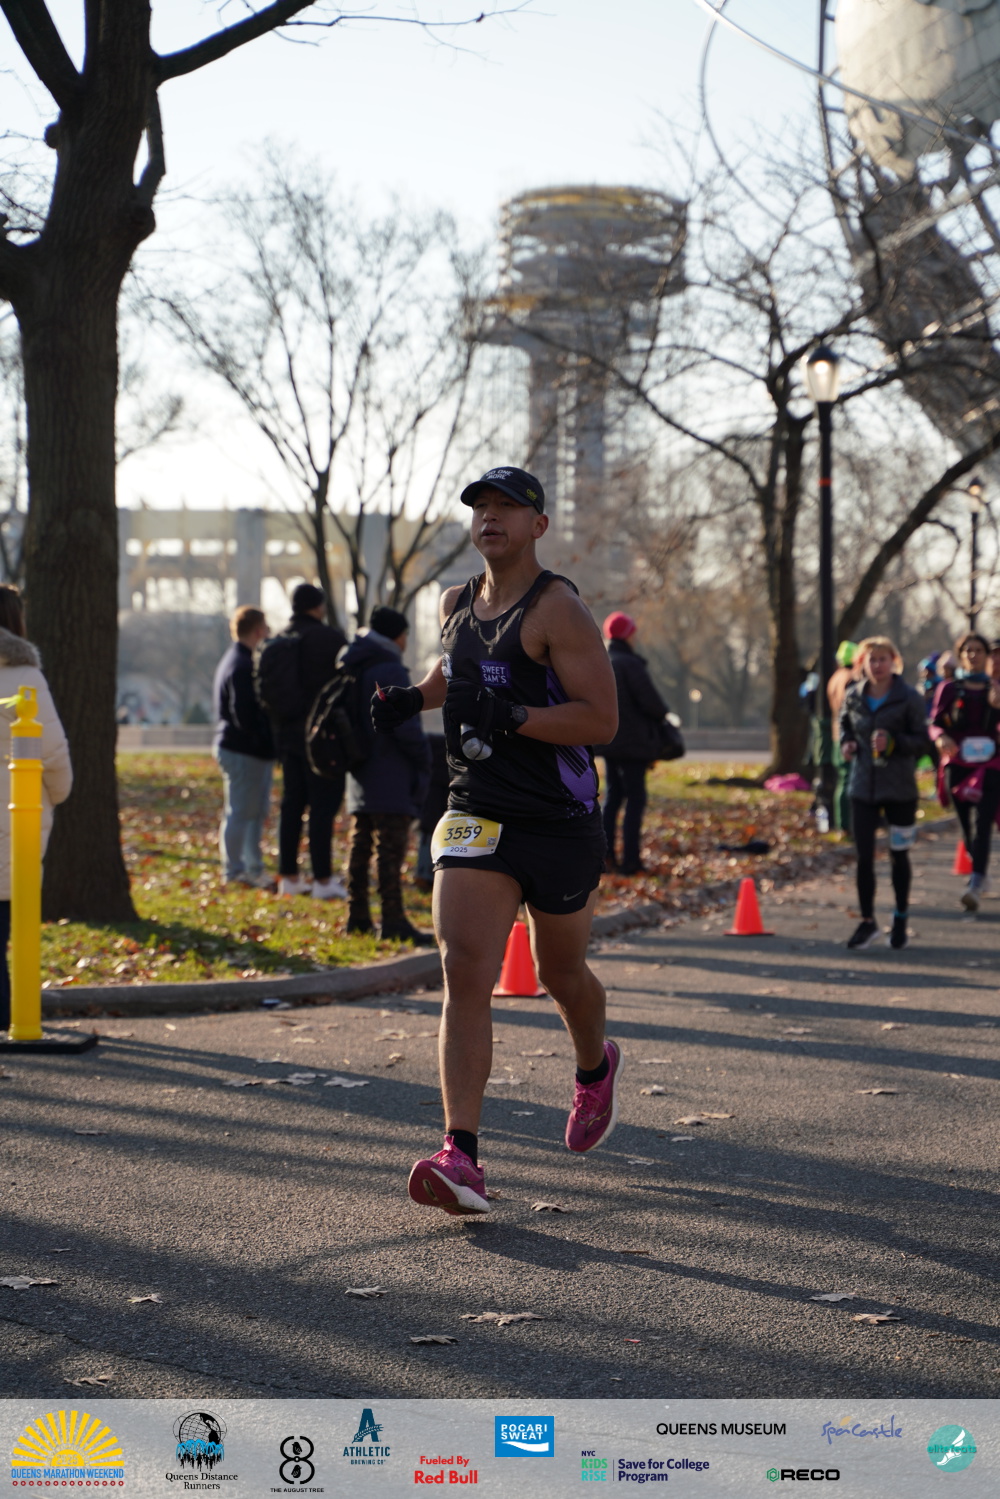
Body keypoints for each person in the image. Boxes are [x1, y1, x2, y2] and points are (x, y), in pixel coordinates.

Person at [371, 464, 620, 1216]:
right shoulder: (454, 602)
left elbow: (601, 720)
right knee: (465, 967)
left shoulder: (559, 609)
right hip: (476, 808)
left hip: (558, 821)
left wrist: (514, 718)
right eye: (481, 505)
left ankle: (593, 1065)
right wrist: (414, 698)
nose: (491, 516)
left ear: (537, 525)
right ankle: (461, 1155)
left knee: (560, 972)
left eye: (507, 506)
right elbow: (457, 670)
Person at [0, 586, 72, 1035]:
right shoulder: (25, 675)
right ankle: (10, 1014)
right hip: (15, 810)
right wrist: (59, 793)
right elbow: (53, 753)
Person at [342, 605, 432, 944]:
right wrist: (423, 757)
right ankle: (393, 920)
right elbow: (404, 725)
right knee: (390, 849)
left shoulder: (354, 661)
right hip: (390, 769)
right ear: (397, 636)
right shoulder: (389, 668)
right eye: (406, 635)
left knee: (360, 844)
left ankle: (358, 917)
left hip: (360, 767)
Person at [840, 635, 929, 950]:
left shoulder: (909, 698)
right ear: (862, 663)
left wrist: (893, 743)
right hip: (862, 787)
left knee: (898, 855)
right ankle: (867, 922)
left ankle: (901, 916)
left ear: (894, 662)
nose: (877, 665)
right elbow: (845, 725)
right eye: (872, 660)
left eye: (883, 659)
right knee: (864, 857)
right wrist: (847, 743)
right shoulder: (853, 696)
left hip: (900, 789)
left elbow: (923, 742)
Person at [266, 583, 348, 899]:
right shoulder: (330, 639)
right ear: (318, 607)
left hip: (287, 736)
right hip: (324, 738)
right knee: (322, 809)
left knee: (292, 805)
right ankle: (323, 880)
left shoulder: (278, 641)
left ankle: (288, 876)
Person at [929, 631, 1000, 911]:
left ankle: (976, 881)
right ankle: (977, 864)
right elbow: (935, 722)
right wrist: (940, 737)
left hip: (990, 764)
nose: (973, 655)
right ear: (961, 656)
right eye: (968, 651)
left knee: (983, 823)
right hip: (958, 762)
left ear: (986, 656)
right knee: (965, 823)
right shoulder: (949, 688)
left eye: (978, 651)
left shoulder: (995, 687)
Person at [595, 611, 670, 874]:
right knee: (635, 801)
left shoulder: (602, 661)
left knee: (612, 798)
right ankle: (631, 860)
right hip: (634, 744)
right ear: (627, 635)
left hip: (609, 741)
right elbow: (651, 703)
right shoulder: (630, 663)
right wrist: (664, 715)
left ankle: (606, 857)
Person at [212, 606, 275, 888]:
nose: (269, 633)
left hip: (242, 749)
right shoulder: (242, 665)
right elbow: (244, 714)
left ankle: (251, 867)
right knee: (240, 812)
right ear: (258, 631)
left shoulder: (233, 659)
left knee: (252, 812)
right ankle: (234, 870)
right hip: (243, 750)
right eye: (267, 628)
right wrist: (265, 737)